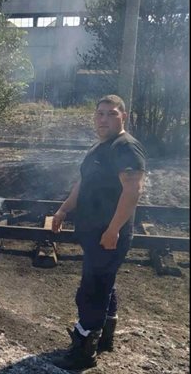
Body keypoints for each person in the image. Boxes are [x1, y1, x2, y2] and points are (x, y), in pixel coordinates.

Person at [51, 94, 146, 370]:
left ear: (123, 117)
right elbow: (82, 183)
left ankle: (83, 354)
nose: (103, 119)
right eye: (100, 114)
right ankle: (104, 337)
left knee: (91, 291)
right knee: (103, 283)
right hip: (94, 232)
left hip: (108, 234)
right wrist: (63, 210)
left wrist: (113, 229)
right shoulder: (99, 147)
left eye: (111, 114)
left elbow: (133, 190)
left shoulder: (126, 147)